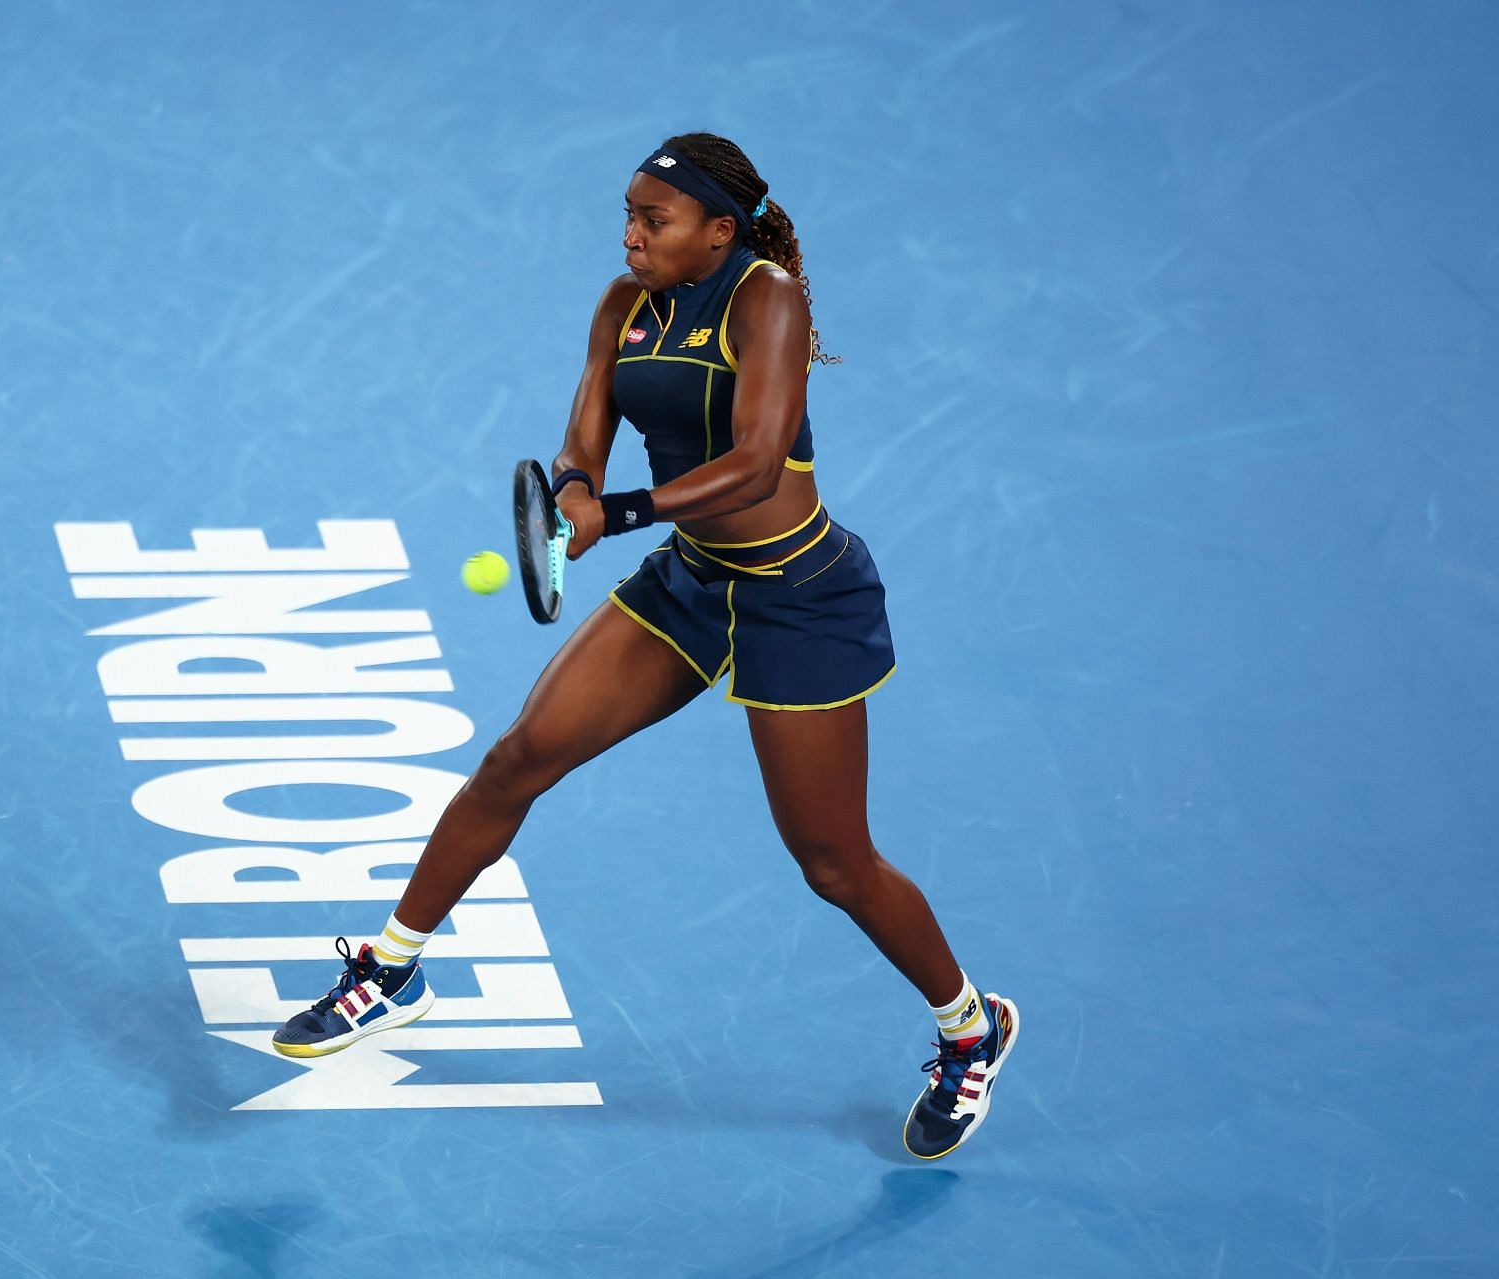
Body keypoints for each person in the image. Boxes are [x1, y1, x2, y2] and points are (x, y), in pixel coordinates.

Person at [272, 132, 1020, 1160]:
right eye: (626, 213)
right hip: (693, 583)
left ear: (720, 231)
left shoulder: (767, 301)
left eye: (653, 220)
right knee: (517, 758)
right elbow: (585, 436)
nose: (631, 235)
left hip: (800, 594)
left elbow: (758, 463)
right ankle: (392, 968)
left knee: (833, 863)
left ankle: (970, 1026)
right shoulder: (623, 304)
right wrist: (576, 487)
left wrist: (614, 515)